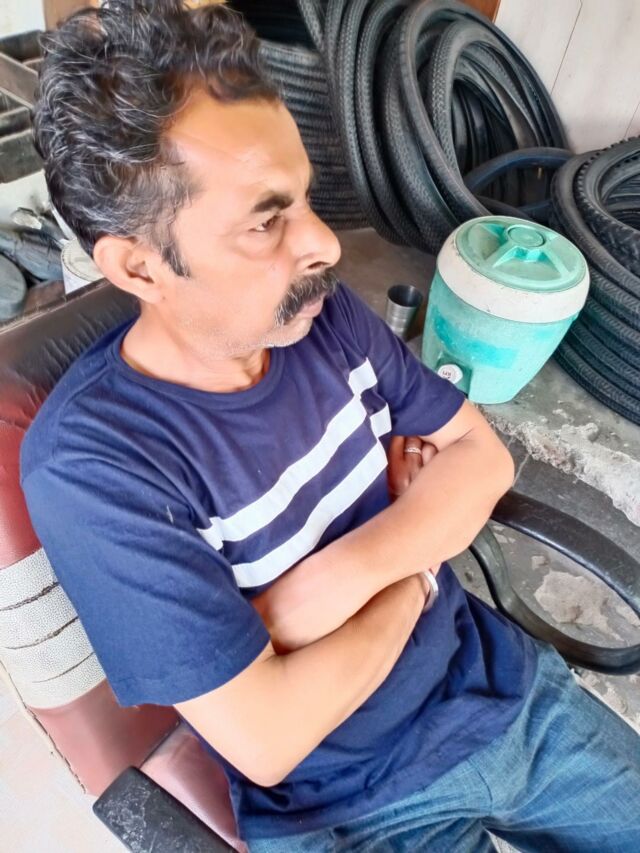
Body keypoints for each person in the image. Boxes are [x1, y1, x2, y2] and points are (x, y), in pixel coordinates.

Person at [21, 2, 640, 851]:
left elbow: (481, 458)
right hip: (349, 806)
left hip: (499, 691)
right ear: (140, 265)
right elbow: (269, 735)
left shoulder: (320, 317)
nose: (324, 244)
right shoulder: (97, 464)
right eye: (265, 219)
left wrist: (322, 589)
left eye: (305, 199)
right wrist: (419, 563)